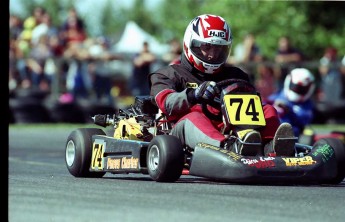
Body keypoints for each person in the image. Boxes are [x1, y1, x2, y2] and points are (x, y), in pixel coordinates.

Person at [149, 14, 295, 157]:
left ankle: (270, 148)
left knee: (268, 109)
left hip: (229, 128)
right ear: (191, 43)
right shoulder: (169, 74)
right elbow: (166, 103)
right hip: (181, 133)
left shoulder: (236, 75)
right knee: (193, 117)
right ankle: (229, 148)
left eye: (219, 48)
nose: (212, 55)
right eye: (207, 47)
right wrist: (193, 95)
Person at [266, 68, 316, 137]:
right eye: (295, 87)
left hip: (292, 137)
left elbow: (304, 120)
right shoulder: (274, 98)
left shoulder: (307, 106)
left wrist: (288, 110)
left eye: (301, 89)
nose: (297, 90)